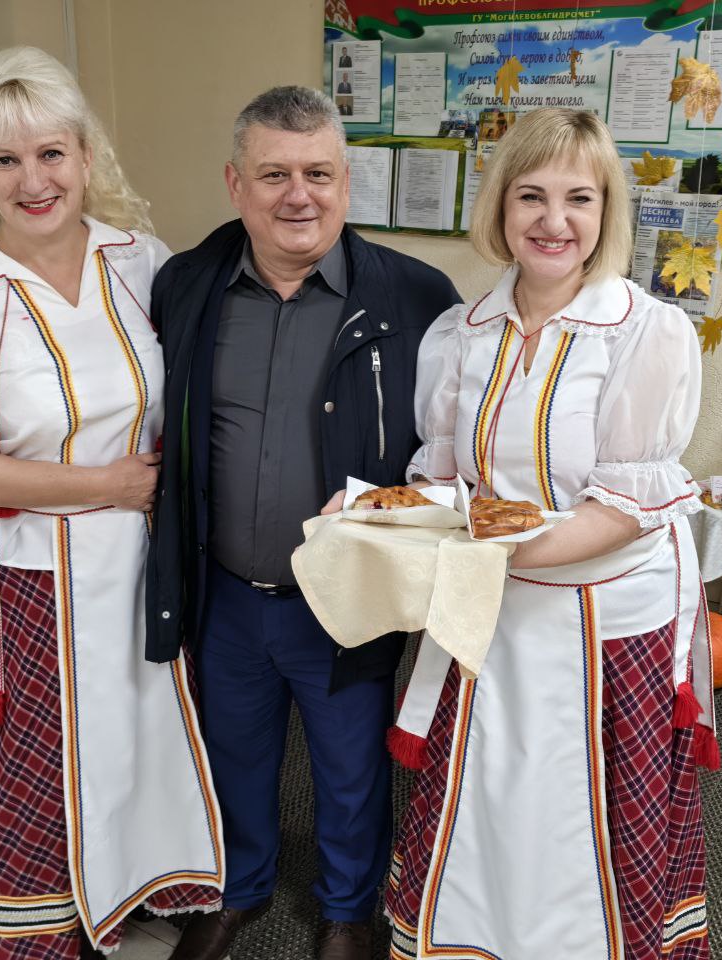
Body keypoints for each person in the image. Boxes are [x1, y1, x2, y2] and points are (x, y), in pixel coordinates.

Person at [0, 47, 224, 960]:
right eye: (6, 160)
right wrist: (108, 485)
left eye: (51, 154)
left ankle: (129, 885)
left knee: (138, 729)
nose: (33, 181)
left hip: (145, 561)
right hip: (33, 574)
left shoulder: (139, 261)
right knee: (47, 754)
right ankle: (42, 923)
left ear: (85, 154)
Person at [384, 108, 718, 960]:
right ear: (500, 206)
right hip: (489, 608)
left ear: (607, 212)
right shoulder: (460, 334)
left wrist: (480, 555)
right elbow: (443, 475)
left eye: (579, 198)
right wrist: (386, 518)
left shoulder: (648, 333)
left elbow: (624, 506)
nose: (553, 220)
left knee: (579, 806)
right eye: (530, 195)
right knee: (493, 792)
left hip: (604, 621)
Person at [146, 85, 460, 960]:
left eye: (319, 173)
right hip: (223, 590)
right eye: (273, 174)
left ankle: (348, 911)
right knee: (233, 751)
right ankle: (236, 888)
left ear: (346, 182)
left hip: (343, 599)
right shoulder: (187, 285)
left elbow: (449, 450)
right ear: (234, 184)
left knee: (350, 765)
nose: (299, 196)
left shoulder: (418, 297)